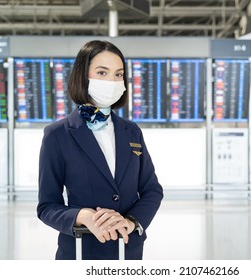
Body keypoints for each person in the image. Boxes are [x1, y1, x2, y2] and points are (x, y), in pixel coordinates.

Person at [37, 40, 164, 260]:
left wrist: (131, 221)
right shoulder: (57, 135)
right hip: (80, 251)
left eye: (118, 74)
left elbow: (152, 190)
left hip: (128, 251)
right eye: (102, 73)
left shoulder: (132, 131)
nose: (112, 81)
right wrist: (82, 215)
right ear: (83, 76)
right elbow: (47, 206)